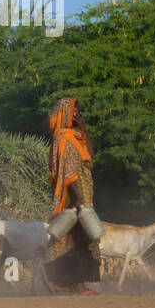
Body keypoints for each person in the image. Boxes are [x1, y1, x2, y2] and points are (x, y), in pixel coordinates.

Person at [42, 97, 103, 294]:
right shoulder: (63, 139)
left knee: (84, 237)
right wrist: (77, 198)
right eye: (75, 111)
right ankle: (68, 284)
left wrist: (83, 127)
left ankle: (79, 284)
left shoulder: (76, 136)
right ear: (66, 114)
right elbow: (68, 171)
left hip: (83, 195)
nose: (79, 114)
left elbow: (91, 154)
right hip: (72, 196)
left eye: (80, 110)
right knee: (73, 237)